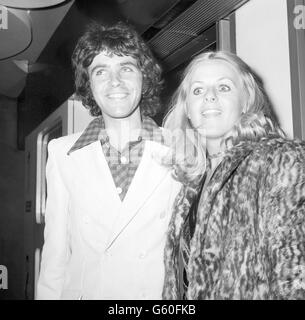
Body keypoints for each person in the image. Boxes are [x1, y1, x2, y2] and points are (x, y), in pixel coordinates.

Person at [36, 21, 182, 300]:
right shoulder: (61, 152)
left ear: (144, 77)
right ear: (89, 86)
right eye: (100, 71)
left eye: (126, 68)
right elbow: (54, 257)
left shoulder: (181, 148)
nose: (115, 81)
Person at [162, 51, 305, 300]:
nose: (209, 96)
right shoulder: (190, 184)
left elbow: (295, 279)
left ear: (247, 101)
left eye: (224, 87)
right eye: (197, 90)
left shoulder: (281, 161)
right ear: (187, 109)